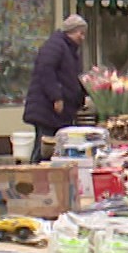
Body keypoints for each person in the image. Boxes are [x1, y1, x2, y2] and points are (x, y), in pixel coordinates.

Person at [24, 14, 89, 161]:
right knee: (44, 146)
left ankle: (41, 176)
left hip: (57, 111)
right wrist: (56, 97)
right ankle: (34, 175)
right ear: (71, 31)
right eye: (81, 33)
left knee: (51, 147)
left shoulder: (69, 49)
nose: (82, 37)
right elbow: (45, 70)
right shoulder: (55, 46)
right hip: (47, 108)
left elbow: (70, 77)